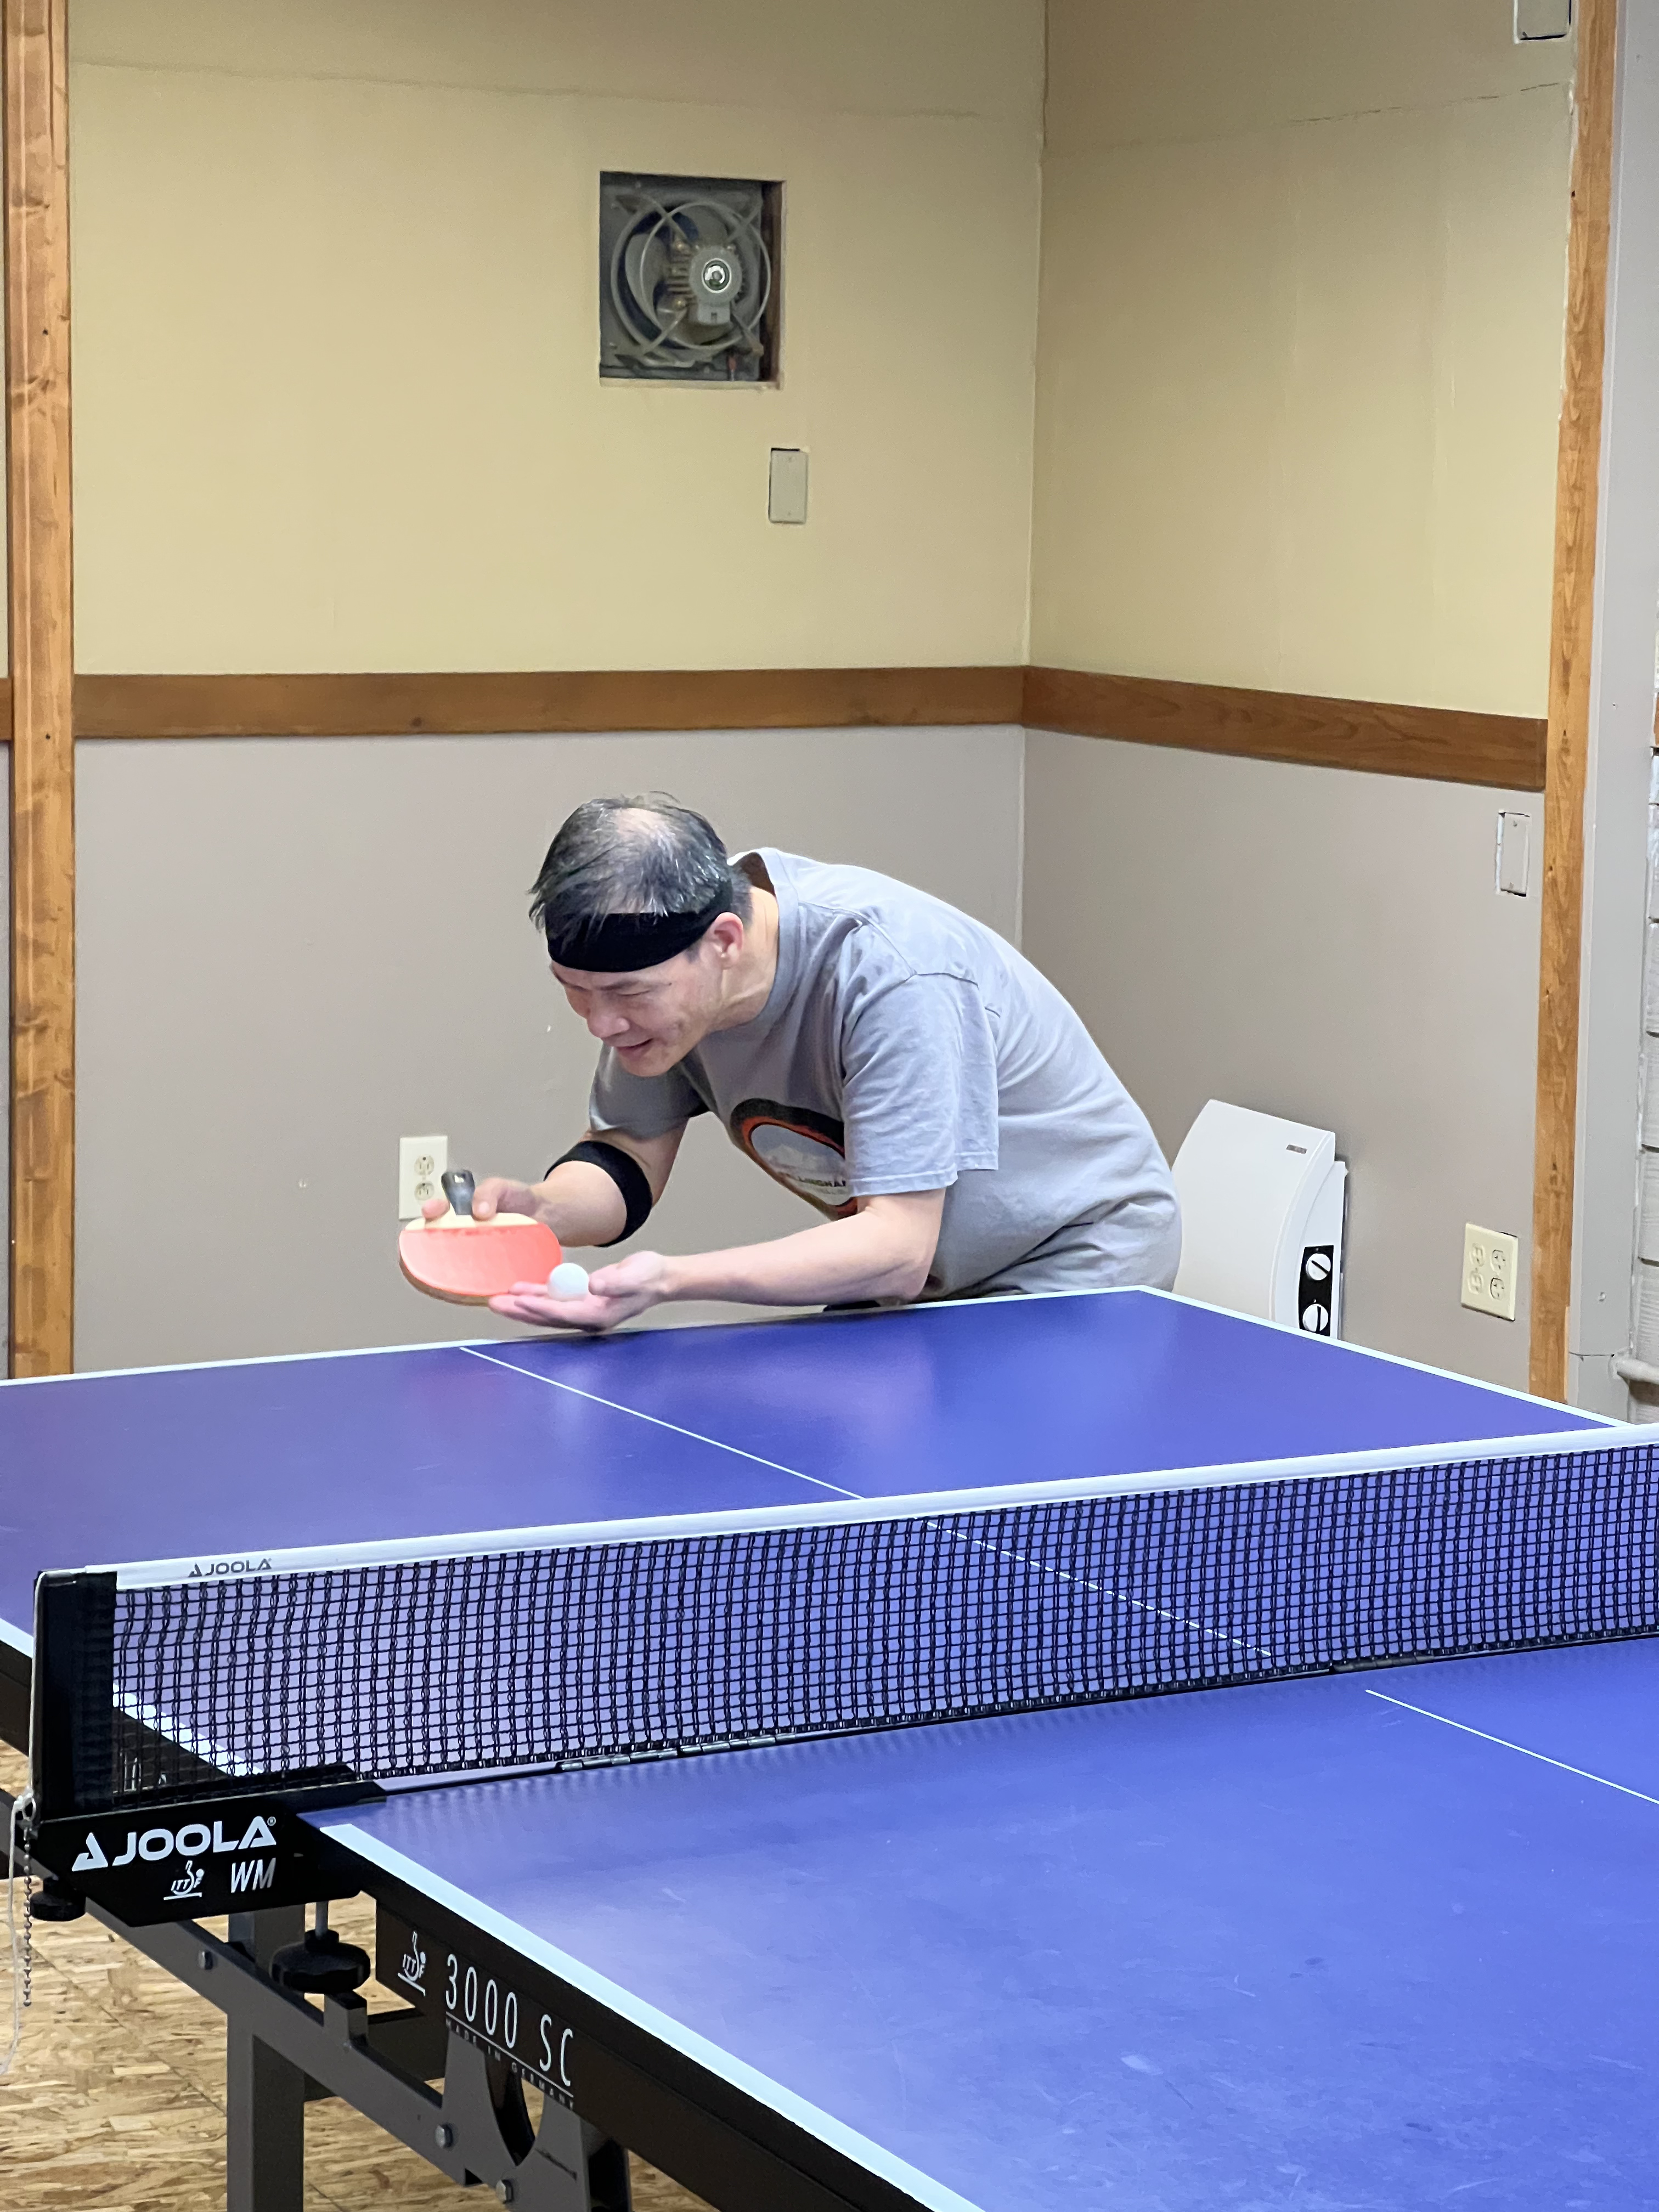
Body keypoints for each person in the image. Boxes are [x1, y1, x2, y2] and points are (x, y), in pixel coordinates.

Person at [440, 794, 1180, 1331]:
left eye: (628, 994)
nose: (603, 1023)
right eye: (576, 993)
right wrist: (542, 1212)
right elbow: (627, 1157)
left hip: (1077, 1263)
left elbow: (895, 1248)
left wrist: (670, 1282)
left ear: (724, 941)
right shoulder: (666, 984)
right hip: (926, 1277)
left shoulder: (894, 975)